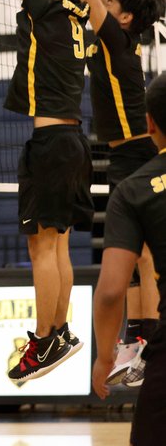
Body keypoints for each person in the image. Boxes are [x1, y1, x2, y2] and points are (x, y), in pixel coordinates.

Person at [53, 0, 165, 386]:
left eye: (111, 5)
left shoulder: (116, 40)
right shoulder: (121, 36)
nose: (102, 3)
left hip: (137, 149)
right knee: (140, 256)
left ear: (120, 19)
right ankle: (139, 340)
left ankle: (141, 341)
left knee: (140, 254)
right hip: (129, 150)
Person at [0, 0, 93, 383]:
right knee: (62, 243)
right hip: (75, 142)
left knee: (42, 248)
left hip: (51, 145)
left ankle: (47, 339)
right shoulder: (74, 11)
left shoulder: (47, 11)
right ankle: (62, 332)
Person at [91, 72, 166, 445]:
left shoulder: (134, 191)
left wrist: (105, 357)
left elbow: (109, 292)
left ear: (149, 124)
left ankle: (138, 338)